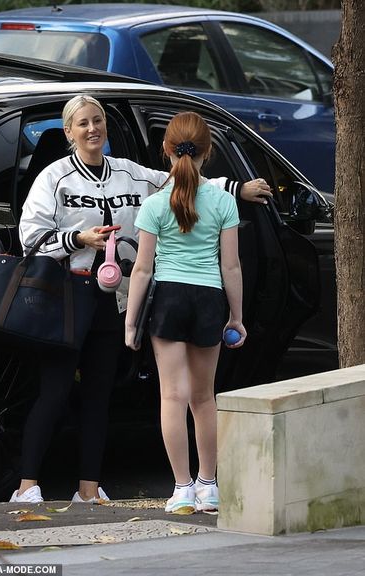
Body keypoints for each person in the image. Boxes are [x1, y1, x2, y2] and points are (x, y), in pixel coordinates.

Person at [12, 96, 266, 504]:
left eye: (98, 121)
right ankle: (27, 486)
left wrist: (238, 188)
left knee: (100, 392)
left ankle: (89, 489)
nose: (93, 129)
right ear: (68, 132)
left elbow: (182, 181)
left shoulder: (130, 174)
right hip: (68, 294)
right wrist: (80, 238)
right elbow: (30, 237)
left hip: (115, 299)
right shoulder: (53, 178)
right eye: (83, 124)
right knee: (56, 389)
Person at [125, 111, 246, 514]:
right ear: (208, 152)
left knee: (171, 397)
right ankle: (209, 485)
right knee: (203, 398)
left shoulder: (156, 203)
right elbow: (230, 266)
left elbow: (142, 268)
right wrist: (236, 316)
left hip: (168, 301)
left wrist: (131, 320)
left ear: (166, 149)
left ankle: (181, 489)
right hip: (209, 299)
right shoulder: (225, 201)